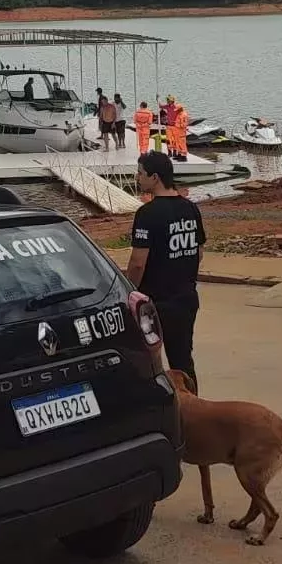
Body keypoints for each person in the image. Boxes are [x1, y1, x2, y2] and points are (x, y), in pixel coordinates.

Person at [126, 151, 206, 388]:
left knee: (148, 361)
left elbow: (138, 262)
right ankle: (192, 408)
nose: (137, 178)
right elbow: (198, 252)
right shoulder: (190, 209)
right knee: (182, 361)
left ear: (155, 177)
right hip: (186, 298)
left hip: (156, 302)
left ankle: (157, 410)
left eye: (141, 174)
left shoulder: (147, 214)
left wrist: (129, 290)